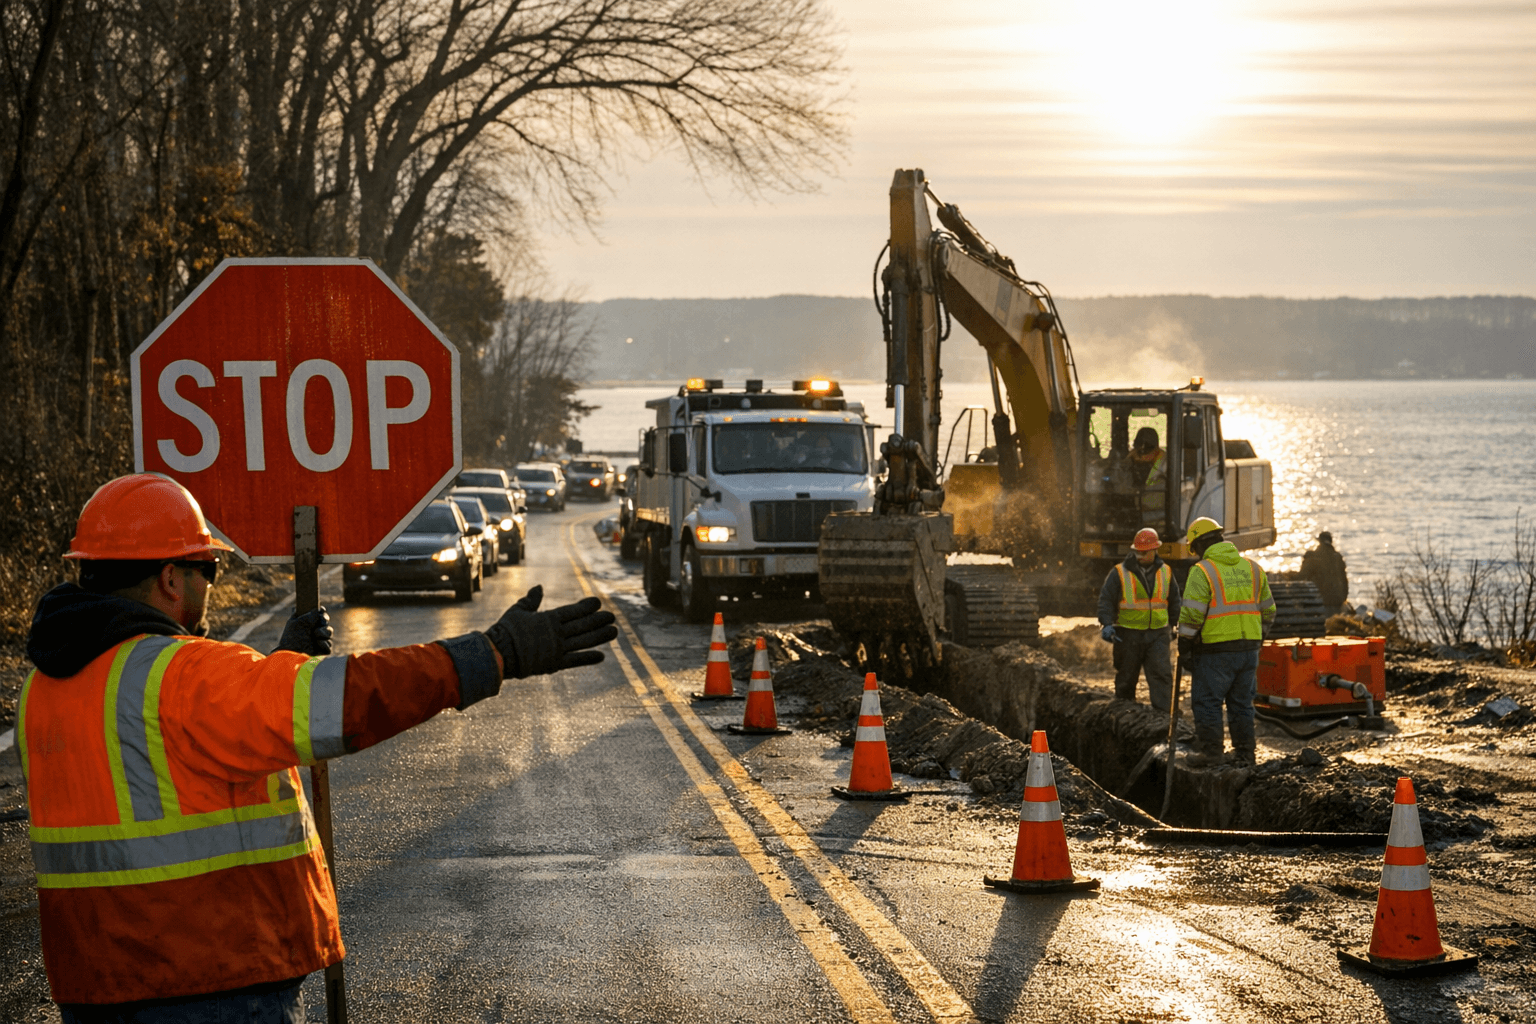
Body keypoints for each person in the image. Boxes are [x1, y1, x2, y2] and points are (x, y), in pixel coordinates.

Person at [18, 474, 617, 1022]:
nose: (208, 586)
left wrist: (272, 667)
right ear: (171, 578)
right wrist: (492, 655)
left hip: (95, 988)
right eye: (209, 570)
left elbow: (173, 755)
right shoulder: (183, 678)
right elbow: (348, 699)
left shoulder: (45, 689)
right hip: (212, 983)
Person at [1176, 517, 1276, 767]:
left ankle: (1211, 754)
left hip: (1215, 651)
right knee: (1241, 703)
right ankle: (1245, 755)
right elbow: (1269, 610)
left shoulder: (1202, 571)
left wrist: (1185, 644)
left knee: (1207, 701)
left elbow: (1192, 614)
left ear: (1199, 545)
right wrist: (1258, 636)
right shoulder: (1252, 568)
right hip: (1249, 649)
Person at [1096, 527, 1180, 712]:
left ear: (1154, 550)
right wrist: (1107, 624)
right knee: (1126, 679)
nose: (1140, 556)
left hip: (1157, 634)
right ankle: (1124, 716)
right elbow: (1106, 599)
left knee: (1161, 677)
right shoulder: (1119, 572)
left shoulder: (1166, 572)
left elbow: (1174, 601)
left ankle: (1165, 720)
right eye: (1138, 552)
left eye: (1144, 552)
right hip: (1128, 634)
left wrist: (1174, 625)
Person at [1300, 530, 1349, 612]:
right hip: (1338, 601)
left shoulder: (1313, 556)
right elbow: (1345, 582)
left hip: (1320, 601)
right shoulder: (1338, 557)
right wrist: (1343, 599)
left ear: (1320, 542)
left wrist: (1289, 576)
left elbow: (1302, 576)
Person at [1132, 426, 1166, 525]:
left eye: (1144, 450)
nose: (1139, 456)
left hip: (1156, 522)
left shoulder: (1166, 467)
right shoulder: (1135, 461)